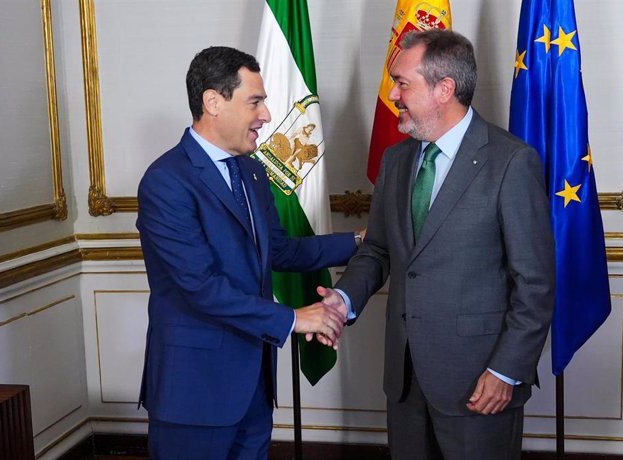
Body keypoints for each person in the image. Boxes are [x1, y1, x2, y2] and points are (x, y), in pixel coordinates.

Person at [321, 29, 555, 459]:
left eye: (402, 83)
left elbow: (535, 284)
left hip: (480, 382)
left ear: (444, 89)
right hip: (406, 382)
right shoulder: (396, 160)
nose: (392, 94)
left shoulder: (511, 161)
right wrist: (342, 299)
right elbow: (378, 251)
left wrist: (506, 370)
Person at [136, 46, 358, 459]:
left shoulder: (252, 171)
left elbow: (282, 250)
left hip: (254, 389)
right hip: (194, 394)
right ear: (213, 102)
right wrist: (293, 318)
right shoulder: (166, 181)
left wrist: (360, 242)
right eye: (255, 101)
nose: (267, 116)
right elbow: (200, 287)